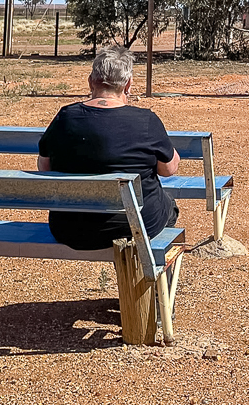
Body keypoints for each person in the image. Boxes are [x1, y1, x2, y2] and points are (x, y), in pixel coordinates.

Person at [37, 44, 180, 250]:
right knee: (169, 205)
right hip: (135, 226)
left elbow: (45, 167)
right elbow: (169, 169)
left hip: (69, 228)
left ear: (90, 81)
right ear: (128, 85)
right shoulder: (146, 120)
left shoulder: (65, 118)